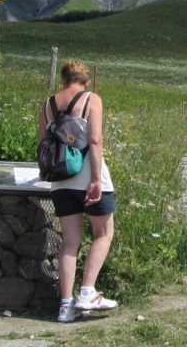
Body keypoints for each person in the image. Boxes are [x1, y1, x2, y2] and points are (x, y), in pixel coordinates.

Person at [37, 60, 117, 322]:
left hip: (61, 181)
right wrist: (95, 179)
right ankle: (87, 292)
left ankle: (65, 305)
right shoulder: (92, 99)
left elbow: (41, 145)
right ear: (87, 81)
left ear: (63, 80)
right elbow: (94, 140)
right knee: (104, 233)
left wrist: (45, 175)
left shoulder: (48, 104)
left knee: (69, 243)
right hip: (89, 179)